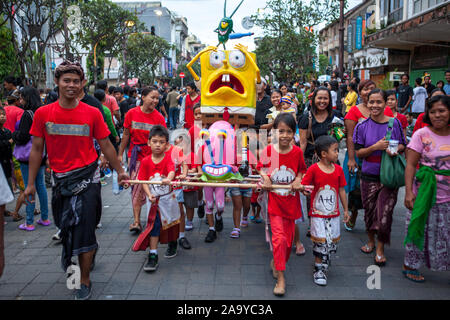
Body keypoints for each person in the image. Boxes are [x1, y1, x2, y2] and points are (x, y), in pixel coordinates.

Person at [25, 61, 129, 300]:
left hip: (88, 179)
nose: (71, 85)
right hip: (60, 182)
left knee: (83, 231)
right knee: (67, 231)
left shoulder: (93, 113)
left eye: (75, 81)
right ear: (57, 83)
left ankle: (83, 280)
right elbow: (37, 149)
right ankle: (85, 255)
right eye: (66, 81)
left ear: (82, 84)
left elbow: (105, 144)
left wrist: (120, 171)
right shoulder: (43, 113)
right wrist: (31, 183)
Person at [353, 89, 406, 266]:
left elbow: (403, 145)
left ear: (386, 104)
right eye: (371, 102)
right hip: (368, 175)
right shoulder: (361, 126)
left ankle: (380, 248)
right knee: (369, 212)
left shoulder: (395, 123)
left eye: (378, 102)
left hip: (388, 175)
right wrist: (375, 147)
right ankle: (370, 241)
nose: (375, 105)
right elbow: (359, 153)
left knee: (384, 214)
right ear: (367, 104)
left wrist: (394, 149)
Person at [257, 113, 307, 296]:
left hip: (291, 204)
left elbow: (302, 169)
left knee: (287, 243)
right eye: (281, 131)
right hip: (275, 204)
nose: (285, 135)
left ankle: (277, 263)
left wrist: (298, 180)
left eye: (289, 131)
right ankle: (281, 278)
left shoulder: (297, 152)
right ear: (274, 132)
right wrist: (266, 177)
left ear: (294, 133)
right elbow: (261, 167)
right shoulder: (269, 150)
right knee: (279, 239)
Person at [402, 95, 449, 282]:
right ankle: (410, 266)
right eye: (433, 112)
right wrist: (408, 192)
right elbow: (411, 165)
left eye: (442, 111)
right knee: (418, 228)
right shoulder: (421, 135)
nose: (437, 115)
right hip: (423, 194)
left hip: (448, 195)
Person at [342, 80, 394, 231]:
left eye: (372, 88)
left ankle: (376, 219)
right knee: (356, 190)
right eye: (365, 89)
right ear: (360, 93)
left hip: (383, 156)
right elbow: (350, 137)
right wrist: (351, 159)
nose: (369, 91)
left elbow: (393, 132)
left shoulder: (388, 112)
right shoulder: (354, 111)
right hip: (359, 156)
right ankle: (354, 215)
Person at [301, 135, 349, 286]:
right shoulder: (313, 169)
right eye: (335, 150)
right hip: (317, 214)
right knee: (320, 241)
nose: (337, 153)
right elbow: (305, 185)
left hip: (333, 213)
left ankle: (325, 260)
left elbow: (341, 190)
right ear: (323, 154)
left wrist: (346, 210)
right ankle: (318, 269)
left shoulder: (339, 170)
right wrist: (305, 191)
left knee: (330, 241)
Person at [118, 87, 167, 234]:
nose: (155, 101)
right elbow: (126, 135)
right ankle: (137, 221)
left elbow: (164, 140)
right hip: (136, 157)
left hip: (154, 159)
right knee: (137, 188)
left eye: (157, 98)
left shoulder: (159, 117)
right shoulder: (131, 114)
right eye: (152, 97)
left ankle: (157, 219)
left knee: (154, 189)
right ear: (143, 97)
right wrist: (120, 154)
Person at [134, 125, 179, 272]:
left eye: (161, 142)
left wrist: (169, 179)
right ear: (149, 142)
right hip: (153, 201)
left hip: (167, 199)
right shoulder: (146, 161)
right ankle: (153, 255)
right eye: (155, 141)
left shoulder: (168, 159)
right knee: (154, 226)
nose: (158, 145)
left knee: (171, 223)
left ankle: (173, 242)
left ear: (167, 145)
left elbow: (171, 171)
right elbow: (143, 181)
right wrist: (148, 194)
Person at [12, 86, 50, 231]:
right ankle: (45, 218)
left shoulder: (27, 114)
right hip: (41, 154)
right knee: (40, 186)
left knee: (30, 186)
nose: (20, 100)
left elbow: (22, 136)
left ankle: (29, 222)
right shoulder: (41, 112)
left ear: (27, 98)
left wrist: (13, 135)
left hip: (27, 157)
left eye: (21, 97)